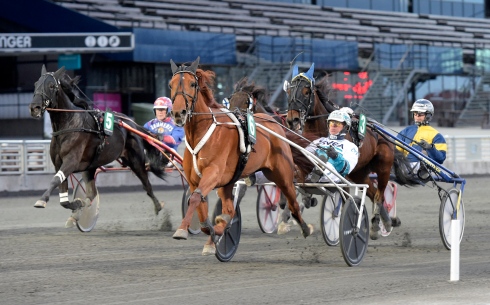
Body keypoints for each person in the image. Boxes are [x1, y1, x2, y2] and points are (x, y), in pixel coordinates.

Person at [396, 99, 447, 175]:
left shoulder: (436, 135)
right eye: (415, 114)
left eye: (420, 114)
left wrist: (430, 148)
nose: (417, 117)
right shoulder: (406, 131)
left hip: (421, 169)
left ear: (428, 116)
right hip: (403, 165)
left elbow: (440, 159)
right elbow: (396, 150)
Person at [144, 97, 185, 166]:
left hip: (168, 157)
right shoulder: (148, 124)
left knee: (171, 151)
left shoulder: (176, 125)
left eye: (162, 109)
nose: (160, 112)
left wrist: (160, 137)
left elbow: (173, 142)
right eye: (157, 110)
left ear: (168, 110)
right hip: (150, 155)